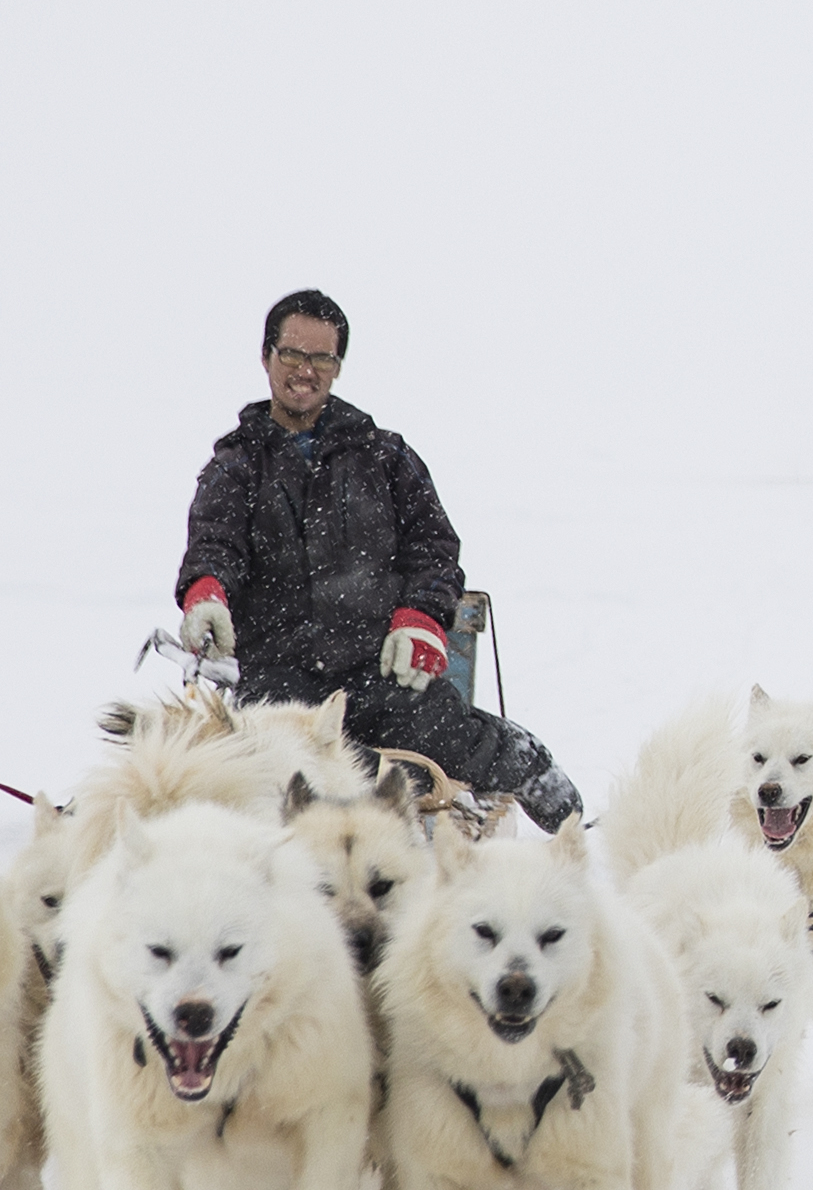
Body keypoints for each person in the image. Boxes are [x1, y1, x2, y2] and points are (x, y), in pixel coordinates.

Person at [172, 290, 583, 830]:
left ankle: (549, 789)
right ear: (267, 356)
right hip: (281, 674)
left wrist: (419, 620)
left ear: (337, 367)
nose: (305, 370)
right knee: (298, 764)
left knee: (443, 735)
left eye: (321, 358)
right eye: (292, 354)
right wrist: (207, 594)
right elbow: (214, 545)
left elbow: (434, 549)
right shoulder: (235, 466)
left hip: (380, 664)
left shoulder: (385, 456)